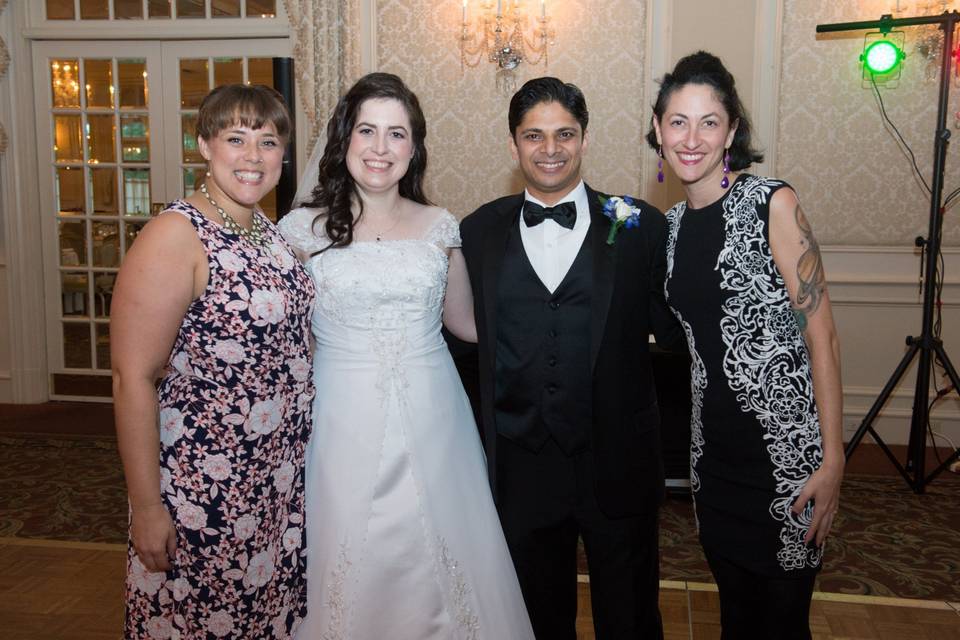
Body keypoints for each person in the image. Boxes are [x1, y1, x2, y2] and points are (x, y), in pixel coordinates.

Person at [278, 72, 534, 640]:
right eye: (367, 130)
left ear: (414, 147)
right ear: (344, 139)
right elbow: (291, 339)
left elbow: (467, 324)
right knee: (349, 547)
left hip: (433, 414)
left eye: (396, 134)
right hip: (339, 418)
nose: (380, 148)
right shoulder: (298, 231)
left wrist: (550, 314)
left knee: (442, 548)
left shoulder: (439, 225)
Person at [460, 76, 683, 640]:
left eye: (565, 134)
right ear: (514, 145)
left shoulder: (639, 226)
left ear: (584, 140)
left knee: (629, 615)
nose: (550, 148)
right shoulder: (477, 230)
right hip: (521, 460)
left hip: (617, 458)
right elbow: (459, 337)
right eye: (534, 135)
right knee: (534, 617)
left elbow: (679, 333)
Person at [647, 51, 844, 639]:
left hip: (787, 461)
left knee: (783, 626)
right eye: (678, 121)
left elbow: (823, 335)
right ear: (658, 130)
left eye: (709, 122)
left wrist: (834, 460)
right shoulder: (674, 228)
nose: (691, 138)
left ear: (731, 130)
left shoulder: (771, 203)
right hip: (713, 462)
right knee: (736, 620)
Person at [111, 84, 315, 638]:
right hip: (204, 492)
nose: (253, 156)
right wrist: (148, 508)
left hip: (271, 486)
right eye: (236, 138)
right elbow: (134, 378)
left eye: (268, 142)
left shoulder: (268, 235)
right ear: (204, 144)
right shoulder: (175, 235)